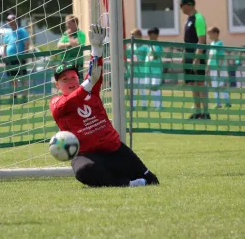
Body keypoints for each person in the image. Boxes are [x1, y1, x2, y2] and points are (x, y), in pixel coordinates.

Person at [49, 24, 159, 188]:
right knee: (84, 170)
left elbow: (95, 73)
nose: (70, 81)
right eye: (65, 80)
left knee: (152, 181)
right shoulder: (56, 102)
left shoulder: (90, 89)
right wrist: (87, 83)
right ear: (57, 85)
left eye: (73, 77)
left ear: (78, 79)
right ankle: (125, 184)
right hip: (87, 155)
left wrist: (97, 49)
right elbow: (67, 103)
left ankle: (123, 178)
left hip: (113, 149)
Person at [179, 0, 208, 119]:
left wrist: (197, 57)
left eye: (182, 5)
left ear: (188, 5)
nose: (181, 8)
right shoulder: (188, 20)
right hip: (189, 56)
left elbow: (201, 39)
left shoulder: (198, 18)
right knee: (193, 84)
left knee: (200, 83)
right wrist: (185, 56)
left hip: (197, 56)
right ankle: (197, 111)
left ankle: (205, 113)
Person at [3, 13, 30, 103]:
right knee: (12, 78)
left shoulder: (22, 31)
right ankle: (14, 96)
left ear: (16, 20)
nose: (10, 22)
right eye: (9, 20)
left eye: (12, 19)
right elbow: (5, 46)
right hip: (10, 59)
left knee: (22, 78)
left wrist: (25, 55)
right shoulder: (7, 33)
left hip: (20, 58)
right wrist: (4, 56)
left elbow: (26, 44)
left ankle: (24, 97)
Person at [206, 27, 231, 109]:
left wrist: (219, 68)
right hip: (213, 68)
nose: (209, 36)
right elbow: (210, 57)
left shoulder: (220, 43)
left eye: (210, 34)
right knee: (214, 86)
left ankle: (227, 102)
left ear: (216, 34)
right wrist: (208, 67)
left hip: (219, 68)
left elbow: (221, 56)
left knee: (222, 85)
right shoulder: (212, 44)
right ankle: (218, 103)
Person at [57, 15, 87, 81]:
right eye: (66, 23)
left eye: (69, 23)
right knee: (66, 81)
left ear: (75, 24)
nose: (67, 25)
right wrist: (69, 43)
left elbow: (76, 45)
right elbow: (59, 45)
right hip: (65, 62)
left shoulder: (80, 34)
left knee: (78, 81)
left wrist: (69, 36)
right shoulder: (65, 34)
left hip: (76, 63)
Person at [126, 28, 149, 109]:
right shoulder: (130, 47)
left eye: (133, 36)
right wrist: (130, 60)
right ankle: (133, 106)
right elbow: (127, 58)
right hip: (132, 72)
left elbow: (147, 59)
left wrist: (139, 61)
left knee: (142, 90)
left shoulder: (145, 48)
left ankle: (144, 105)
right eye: (131, 36)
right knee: (132, 91)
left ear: (139, 36)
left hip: (141, 72)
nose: (132, 37)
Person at [146, 27, 163, 109]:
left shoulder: (158, 45)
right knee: (152, 88)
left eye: (151, 34)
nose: (149, 36)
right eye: (148, 34)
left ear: (156, 35)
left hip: (156, 70)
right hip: (149, 70)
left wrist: (152, 47)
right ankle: (155, 105)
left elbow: (156, 56)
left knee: (155, 87)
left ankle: (160, 105)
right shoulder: (149, 46)